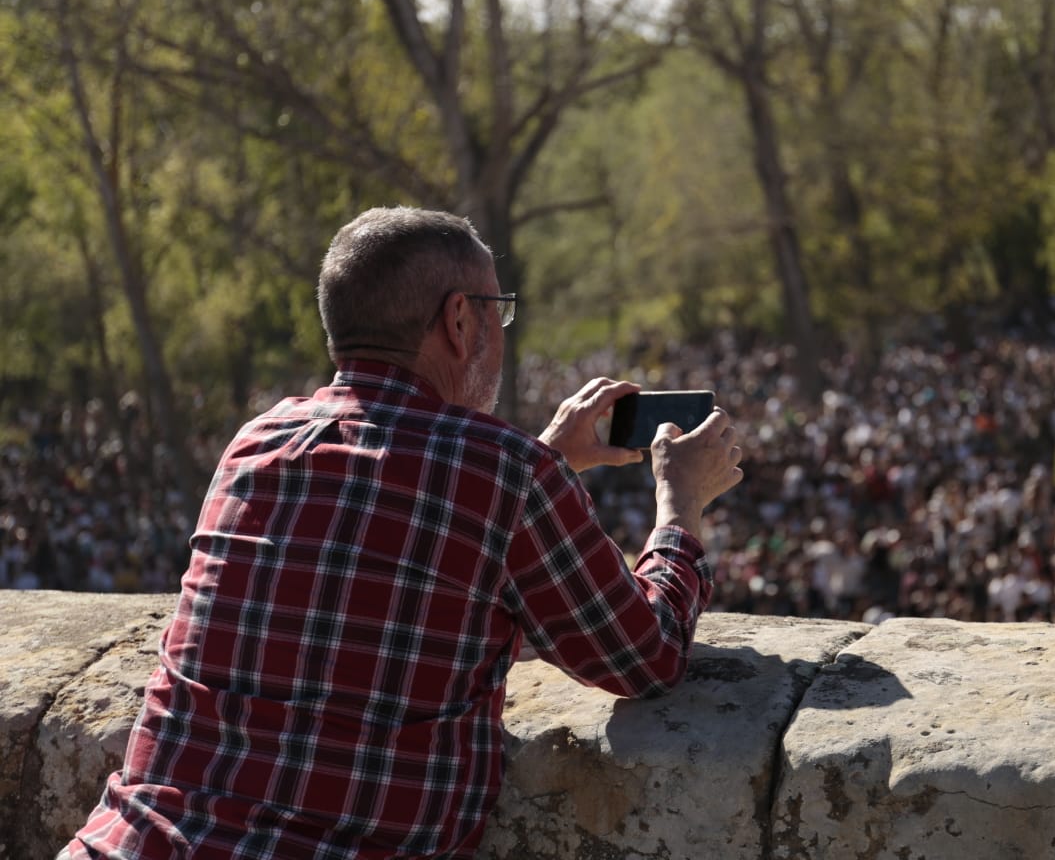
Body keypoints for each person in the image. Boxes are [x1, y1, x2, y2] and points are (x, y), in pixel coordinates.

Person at [62, 207, 744, 859]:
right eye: (497, 310)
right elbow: (643, 656)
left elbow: (388, 540)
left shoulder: (258, 443)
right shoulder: (506, 473)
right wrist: (679, 506)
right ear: (458, 320)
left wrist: (546, 462)